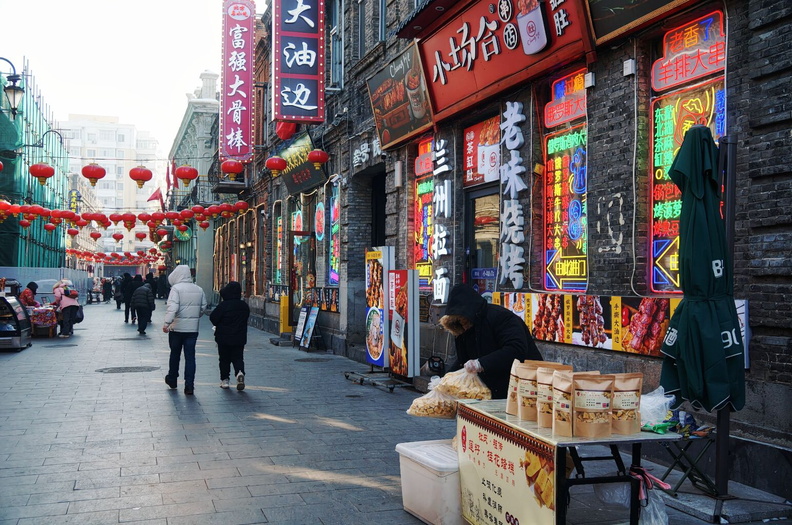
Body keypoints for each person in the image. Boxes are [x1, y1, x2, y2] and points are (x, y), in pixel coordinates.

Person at [439, 284, 543, 399]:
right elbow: (463, 361)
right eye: (459, 321)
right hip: (488, 389)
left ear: (470, 312)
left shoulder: (501, 317)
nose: (463, 325)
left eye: (463, 320)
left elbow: (516, 349)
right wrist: (446, 379)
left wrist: (481, 363)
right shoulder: (462, 329)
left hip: (521, 384)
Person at [163, 265, 207, 395]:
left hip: (176, 329)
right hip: (192, 330)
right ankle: (189, 386)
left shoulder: (176, 289)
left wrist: (167, 323)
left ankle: (172, 379)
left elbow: (172, 308)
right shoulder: (199, 289)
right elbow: (203, 307)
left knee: (175, 354)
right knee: (190, 357)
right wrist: (194, 317)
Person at [210, 281, 250, 390]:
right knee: (238, 357)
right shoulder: (244, 306)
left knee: (224, 359)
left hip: (224, 337)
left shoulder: (223, 306)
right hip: (239, 337)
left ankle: (225, 380)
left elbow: (213, 318)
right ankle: (239, 372)